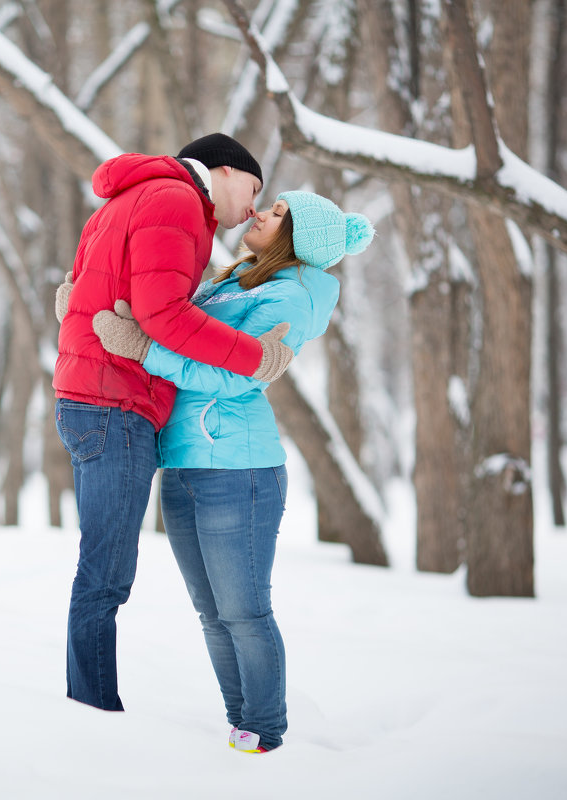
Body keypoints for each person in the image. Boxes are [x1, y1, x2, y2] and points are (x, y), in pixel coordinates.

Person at [91, 190, 374, 751]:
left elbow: (237, 377)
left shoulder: (289, 300)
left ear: (294, 240)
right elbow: (181, 329)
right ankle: (239, 723)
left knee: (243, 610)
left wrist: (143, 351)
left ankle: (264, 733)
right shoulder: (236, 281)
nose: (259, 214)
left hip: (237, 468)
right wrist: (119, 310)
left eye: (275, 215)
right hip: (185, 460)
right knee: (211, 612)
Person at [52, 133, 295, 712]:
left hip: (89, 395)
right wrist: (252, 356)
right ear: (225, 171)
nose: (253, 207)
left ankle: (87, 708)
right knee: (106, 575)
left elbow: (81, 283)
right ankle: (90, 714)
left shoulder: (128, 196)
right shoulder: (179, 200)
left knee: (102, 570)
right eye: (254, 187)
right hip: (116, 401)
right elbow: (164, 314)